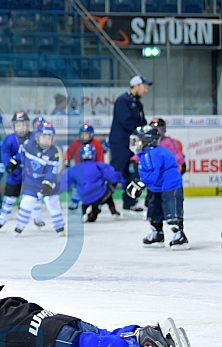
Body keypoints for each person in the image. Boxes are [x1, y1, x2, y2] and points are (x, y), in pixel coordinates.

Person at [0, 268, 193, 347]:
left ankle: (141, 343)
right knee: (98, 335)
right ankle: (142, 332)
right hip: (57, 323)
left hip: (51, 340)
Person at [127, 125, 189, 250]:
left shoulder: (154, 154)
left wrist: (142, 183)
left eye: (138, 140)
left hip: (170, 187)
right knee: (154, 211)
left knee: (172, 211)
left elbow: (152, 174)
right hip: (157, 188)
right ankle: (157, 234)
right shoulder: (145, 154)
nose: (135, 143)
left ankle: (179, 235)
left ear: (147, 141)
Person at [8, 121, 64, 235]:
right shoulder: (29, 145)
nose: (46, 140)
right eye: (44, 137)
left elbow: (52, 171)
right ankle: (20, 226)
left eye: (49, 138)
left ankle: (59, 226)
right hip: (31, 181)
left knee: (53, 202)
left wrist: (48, 183)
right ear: (37, 136)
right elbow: (21, 154)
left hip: (47, 182)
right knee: (27, 202)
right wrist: (14, 161)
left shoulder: (54, 153)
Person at [0, 112, 44, 230]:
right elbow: (6, 155)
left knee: (35, 196)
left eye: (24, 124)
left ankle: (37, 217)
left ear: (28, 125)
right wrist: (9, 166)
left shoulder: (35, 137)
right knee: (10, 197)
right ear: (14, 126)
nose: (21, 127)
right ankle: (2, 218)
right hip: (15, 175)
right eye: (18, 125)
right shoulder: (9, 140)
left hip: (31, 174)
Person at [109, 75, 152, 212]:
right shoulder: (123, 101)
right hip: (121, 144)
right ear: (136, 86)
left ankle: (129, 201)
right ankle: (101, 200)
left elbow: (142, 122)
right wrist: (140, 129)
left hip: (133, 144)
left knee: (134, 172)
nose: (146, 90)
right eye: (144, 87)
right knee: (116, 172)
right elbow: (126, 122)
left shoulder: (138, 104)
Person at [63, 124, 119, 216]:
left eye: (86, 134)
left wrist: (99, 170)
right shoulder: (76, 142)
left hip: (93, 172)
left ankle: (108, 207)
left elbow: (100, 158)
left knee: (104, 188)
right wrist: (66, 161)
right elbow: (69, 153)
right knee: (76, 185)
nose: (84, 136)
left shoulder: (96, 143)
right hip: (80, 171)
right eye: (82, 134)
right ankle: (75, 202)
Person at [60, 144, 124, 223]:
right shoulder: (98, 165)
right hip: (99, 194)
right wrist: (121, 178)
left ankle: (84, 212)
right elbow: (112, 176)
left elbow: (64, 182)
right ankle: (112, 210)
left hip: (84, 197)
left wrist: (59, 190)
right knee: (108, 188)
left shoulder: (74, 169)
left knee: (83, 195)